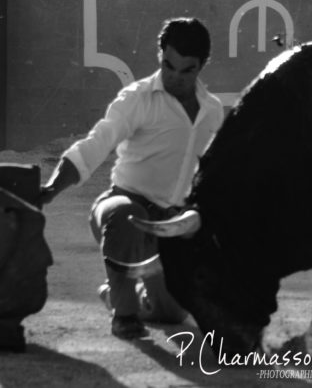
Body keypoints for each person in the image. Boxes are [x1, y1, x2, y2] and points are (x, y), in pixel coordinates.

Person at [39, 18, 224, 340]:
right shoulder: (136, 99)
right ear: (160, 55)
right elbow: (96, 143)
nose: (174, 77)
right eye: (168, 65)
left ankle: (117, 294)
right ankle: (124, 316)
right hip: (123, 207)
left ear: (202, 66)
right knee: (127, 216)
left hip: (170, 227)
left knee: (172, 314)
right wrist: (53, 188)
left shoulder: (213, 111)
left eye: (186, 70)